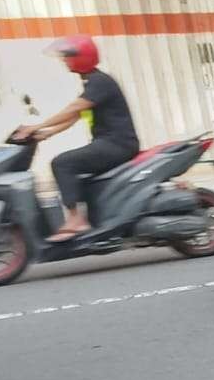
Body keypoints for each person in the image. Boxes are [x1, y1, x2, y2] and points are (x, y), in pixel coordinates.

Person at [12, 35, 140, 240]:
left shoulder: (100, 82)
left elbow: (75, 108)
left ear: (81, 58)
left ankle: (75, 220)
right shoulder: (92, 81)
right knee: (75, 169)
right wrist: (45, 133)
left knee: (62, 163)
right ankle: (92, 218)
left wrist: (38, 125)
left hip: (118, 144)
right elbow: (76, 116)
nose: (65, 61)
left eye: (68, 57)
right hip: (109, 143)